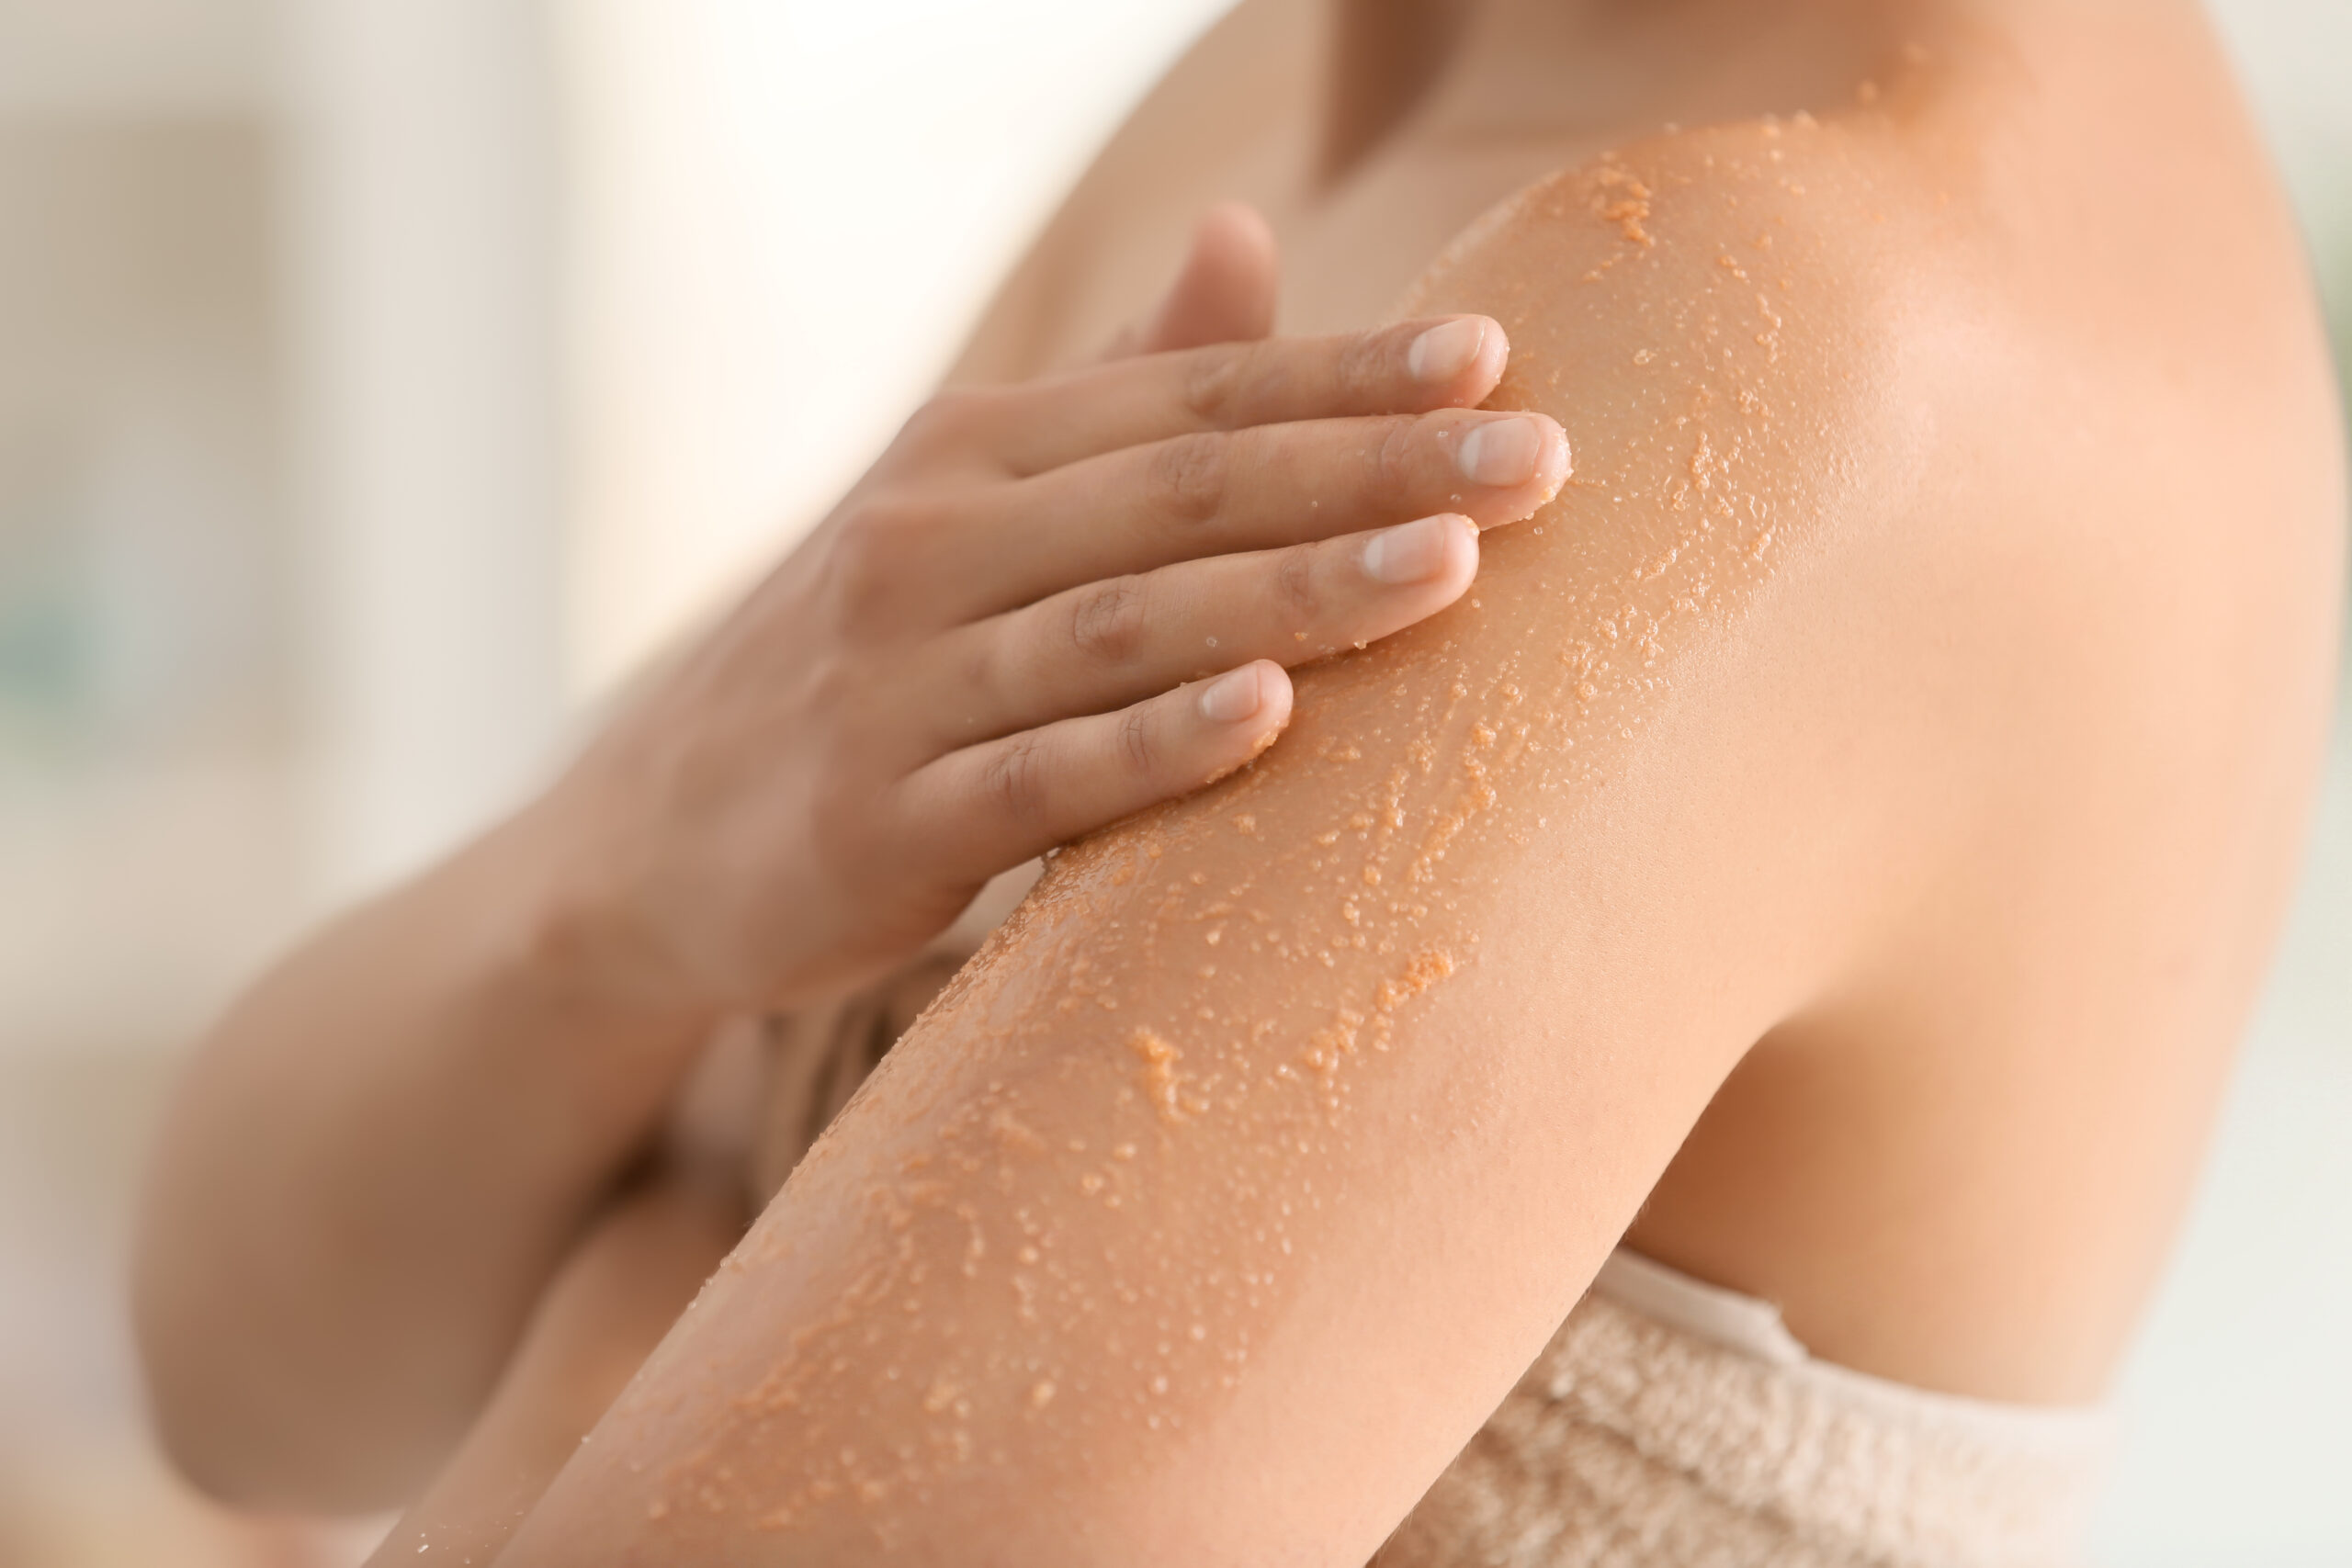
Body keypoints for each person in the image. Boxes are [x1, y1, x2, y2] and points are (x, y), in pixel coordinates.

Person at [136, 1, 2345, 1563]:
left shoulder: (1782, 305)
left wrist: (646, 1254)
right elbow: (240, 1361)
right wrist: (609, 885)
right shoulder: (1314, 67)